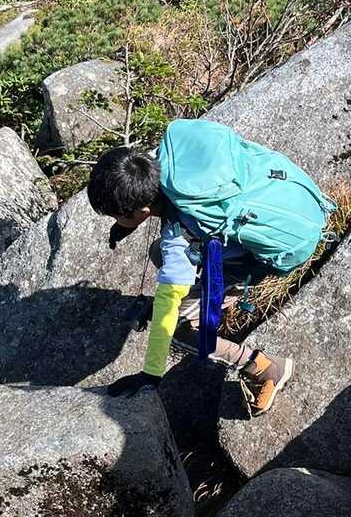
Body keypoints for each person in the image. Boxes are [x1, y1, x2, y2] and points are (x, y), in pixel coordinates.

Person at [87, 117, 333, 414]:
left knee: (178, 329)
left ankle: (264, 367)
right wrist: (126, 225)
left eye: (117, 215)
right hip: (298, 199)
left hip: (268, 256)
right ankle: (206, 297)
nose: (115, 221)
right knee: (158, 253)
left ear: (142, 210)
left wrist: (151, 373)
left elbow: (167, 299)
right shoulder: (167, 157)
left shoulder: (180, 234)